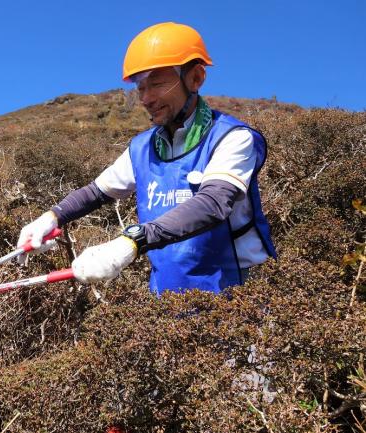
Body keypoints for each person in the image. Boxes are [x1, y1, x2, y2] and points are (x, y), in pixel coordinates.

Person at [17, 22, 276, 295]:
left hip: (238, 299)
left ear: (196, 78)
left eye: (157, 83)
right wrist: (52, 217)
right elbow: (96, 192)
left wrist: (133, 240)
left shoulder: (232, 138)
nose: (146, 98)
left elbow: (213, 203)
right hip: (165, 303)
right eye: (141, 87)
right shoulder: (143, 148)